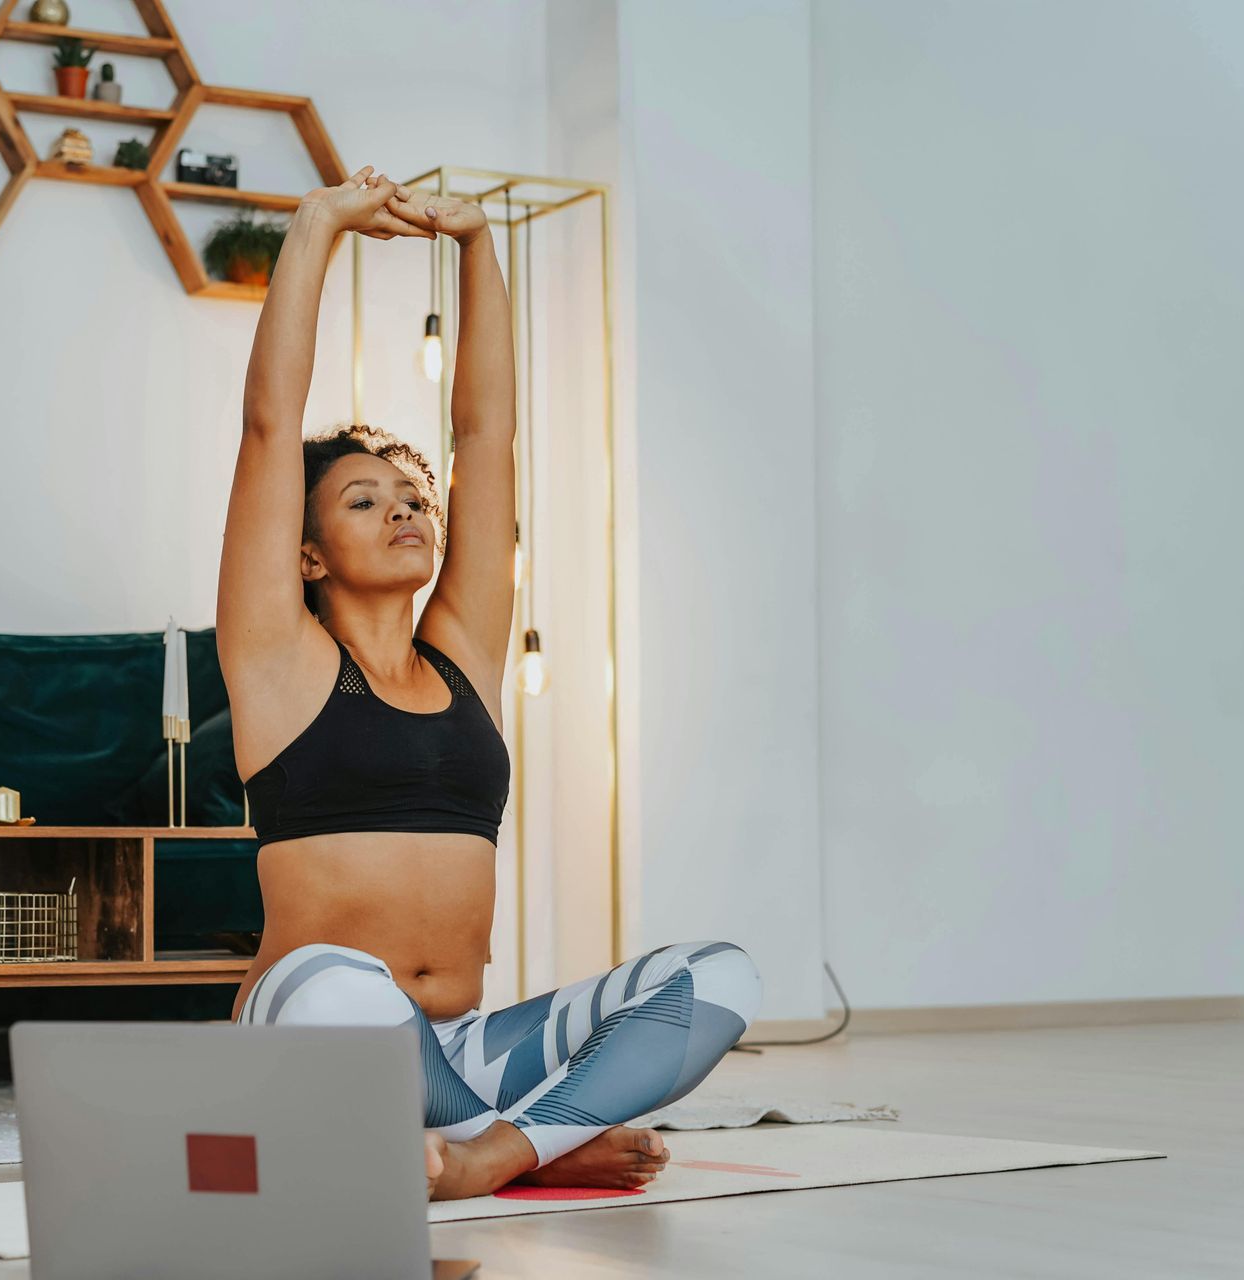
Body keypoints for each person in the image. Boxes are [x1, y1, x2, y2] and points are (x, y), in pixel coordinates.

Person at [216, 166, 761, 1201]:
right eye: (364, 499)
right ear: (307, 554)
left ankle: (489, 1153)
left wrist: (476, 245)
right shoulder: (278, 656)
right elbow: (267, 428)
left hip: (461, 1043)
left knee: (723, 972)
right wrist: (320, 221)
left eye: (413, 496)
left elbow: (487, 437)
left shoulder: (460, 648)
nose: (406, 508)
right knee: (337, 983)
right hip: (320, 1018)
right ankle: (549, 1139)